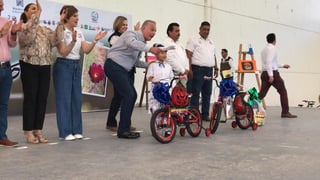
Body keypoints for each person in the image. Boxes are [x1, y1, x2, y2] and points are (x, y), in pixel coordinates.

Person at [53, 5, 107, 141]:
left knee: (76, 99)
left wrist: (95, 40)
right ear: (67, 17)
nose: (77, 19)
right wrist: (72, 41)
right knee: (64, 100)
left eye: (78, 16)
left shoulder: (79, 31)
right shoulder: (60, 30)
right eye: (75, 16)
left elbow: (87, 50)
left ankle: (76, 130)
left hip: (76, 65)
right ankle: (65, 132)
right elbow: (63, 52)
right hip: (63, 65)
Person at [104, 20, 164, 139]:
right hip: (114, 65)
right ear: (143, 28)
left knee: (131, 95)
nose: (154, 33)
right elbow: (132, 43)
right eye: (152, 29)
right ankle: (123, 130)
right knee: (130, 94)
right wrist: (150, 49)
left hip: (122, 69)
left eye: (155, 31)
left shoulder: (141, 44)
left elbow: (135, 62)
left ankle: (124, 128)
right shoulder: (131, 34)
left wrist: (150, 65)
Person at [17, 0, 63, 144]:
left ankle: (38, 129)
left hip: (44, 66)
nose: (36, 11)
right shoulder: (23, 27)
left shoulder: (44, 29)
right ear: (26, 13)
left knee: (42, 98)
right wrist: (36, 17)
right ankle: (28, 131)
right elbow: (28, 38)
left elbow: (55, 40)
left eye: (37, 9)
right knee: (31, 98)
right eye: (33, 9)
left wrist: (61, 23)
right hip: (29, 65)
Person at [106, 16, 140, 132]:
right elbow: (128, 48)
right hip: (119, 70)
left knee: (129, 97)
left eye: (126, 25)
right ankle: (111, 122)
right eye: (122, 25)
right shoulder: (114, 38)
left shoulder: (129, 37)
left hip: (129, 70)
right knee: (118, 97)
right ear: (117, 25)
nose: (125, 27)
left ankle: (126, 122)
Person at [259, 33, 297, 118]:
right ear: (274, 40)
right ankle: (285, 112)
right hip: (272, 74)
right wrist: (271, 75)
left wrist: (283, 65)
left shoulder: (264, 50)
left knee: (261, 94)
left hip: (264, 73)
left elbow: (272, 63)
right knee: (282, 91)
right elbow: (269, 62)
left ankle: (247, 105)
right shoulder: (272, 48)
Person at [186, 21, 218, 121]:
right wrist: (189, 68)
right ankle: (194, 114)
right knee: (195, 92)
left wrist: (216, 67)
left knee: (207, 93)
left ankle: (205, 114)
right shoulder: (193, 40)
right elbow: (188, 54)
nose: (206, 31)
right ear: (199, 29)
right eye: (204, 29)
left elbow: (213, 55)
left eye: (208, 30)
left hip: (209, 70)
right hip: (197, 69)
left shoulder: (211, 42)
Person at [0, 0, 21, 146]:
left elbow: (12, 44)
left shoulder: (6, 21)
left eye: (2, 4)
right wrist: (1, 32)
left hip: (6, 68)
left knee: (3, 104)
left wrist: (13, 32)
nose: (2, 7)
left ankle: (2, 136)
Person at [146, 43, 174, 114]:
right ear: (156, 54)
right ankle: (156, 121)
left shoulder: (168, 66)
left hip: (166, 88)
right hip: (156, 88)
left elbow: (172, 77)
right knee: (156, 104)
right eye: (162, 53)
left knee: (166, 104)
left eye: (165, 53)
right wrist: (150, 78)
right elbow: (148, 76)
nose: (164, 55)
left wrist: (173, 86)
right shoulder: (152, 65)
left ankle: (165, 121)